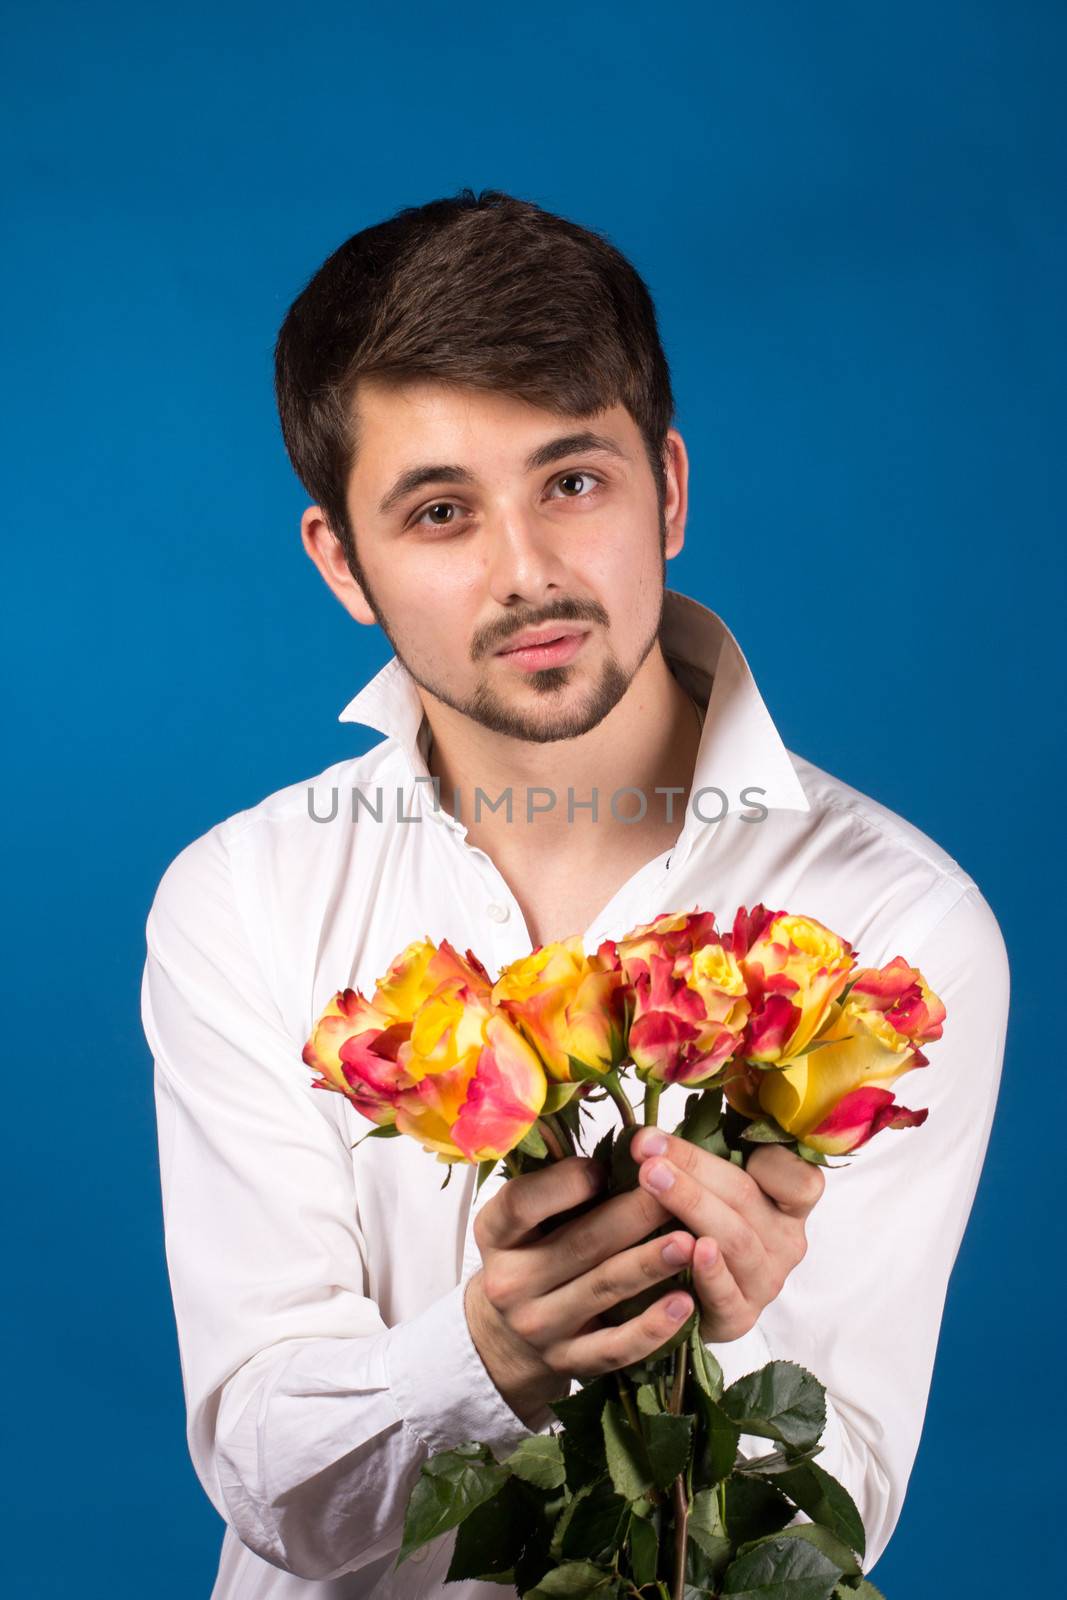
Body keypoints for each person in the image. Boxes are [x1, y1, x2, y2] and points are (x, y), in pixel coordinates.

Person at [140, 189, 1010, 1599]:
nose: (527, 571)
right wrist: (487, 1357)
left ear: (668, 485)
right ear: (342, 565)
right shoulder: (240, 901)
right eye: (439, 513)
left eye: (573, 480)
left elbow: (834, 1511)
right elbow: (266, 1474)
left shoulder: (900, 930)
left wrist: (708, 1335)